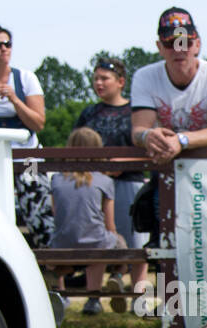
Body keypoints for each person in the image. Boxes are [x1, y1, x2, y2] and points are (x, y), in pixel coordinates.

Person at [74, 57, 148, 291]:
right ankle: (94, 295)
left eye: (104, 78)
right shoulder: (89, 114)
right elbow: (75, 147)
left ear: (120, 81)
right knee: (96, 239)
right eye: (95, 78)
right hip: (94, 185)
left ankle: (139, 296)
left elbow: (149, 150)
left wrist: (123, 163)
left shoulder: (136, 112)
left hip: (129, 183)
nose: (99, 83)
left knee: (135, 243)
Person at [130, 8, 207, 165]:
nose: (178, 49)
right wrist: (147, 136)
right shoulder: (144, 77)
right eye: (170, 43)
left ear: (197, 45)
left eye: (185, 42)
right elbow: (138, 130)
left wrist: (181, 141)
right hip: (165, 168)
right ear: (159, 47)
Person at [50, 128, 126, 315]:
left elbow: (56, 215)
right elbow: (110, 224)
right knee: (108, 242)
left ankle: (60, 296)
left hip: (62, 243)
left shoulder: (56, 179)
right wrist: (114, 236)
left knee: (71, 242)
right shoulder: (104, 180)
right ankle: (102, 290)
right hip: (95, 242)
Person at [0, 24, 44, 148]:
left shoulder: (26, 78)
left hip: (26, 155)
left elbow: (38, 125)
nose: (4, 49)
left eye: (8, 44)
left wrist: (14, 100)